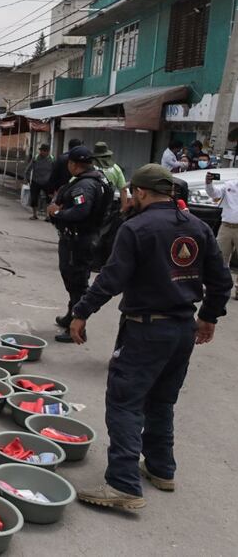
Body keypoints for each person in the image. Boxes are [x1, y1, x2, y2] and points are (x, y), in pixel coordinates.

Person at [70, 164, 232, 510]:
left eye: (132, 193)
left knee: (125, 401)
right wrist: (208, 317)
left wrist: (81, 312)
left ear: (141, 192)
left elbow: (111, 278)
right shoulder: (199, 227)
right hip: (182, 328)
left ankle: (123, 484)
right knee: (161, 400)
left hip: (146, 328)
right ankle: (161, 468)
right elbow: (221, 280)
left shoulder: (136, 228)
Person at [47, 146, 114, 343]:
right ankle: (71, 316)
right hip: (86, 237)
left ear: (74, 164)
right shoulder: (97, 178)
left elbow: (80, 211)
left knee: (77, 283)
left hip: (79, 240)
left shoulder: (85, 185)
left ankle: (77, 327)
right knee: (73, 281)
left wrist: (56, 213)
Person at [206, 170, 238, 299]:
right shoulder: (229, 184)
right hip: (226, 226)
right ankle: (218, 287)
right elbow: (214, 193)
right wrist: (209, 183)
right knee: (219, 258)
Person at [93, 141, 129, 212]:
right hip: (107, 207)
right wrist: (124, 208)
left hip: (91, 205)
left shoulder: (89, 167)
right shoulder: (116, 168)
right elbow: (123, 189)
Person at [26, 143, 54, 220]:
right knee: (34, 198)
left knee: (49, 199)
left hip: (47, 182)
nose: (42, 152)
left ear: (48, 152)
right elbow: (28, 169)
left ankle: (47, 215)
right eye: (41, 150)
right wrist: (28, 179)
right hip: (35, 181)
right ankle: (34, 214)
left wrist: (54, 182)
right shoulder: (35, 158)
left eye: (44, 151)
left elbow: (55, 171)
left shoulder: (52, 159)